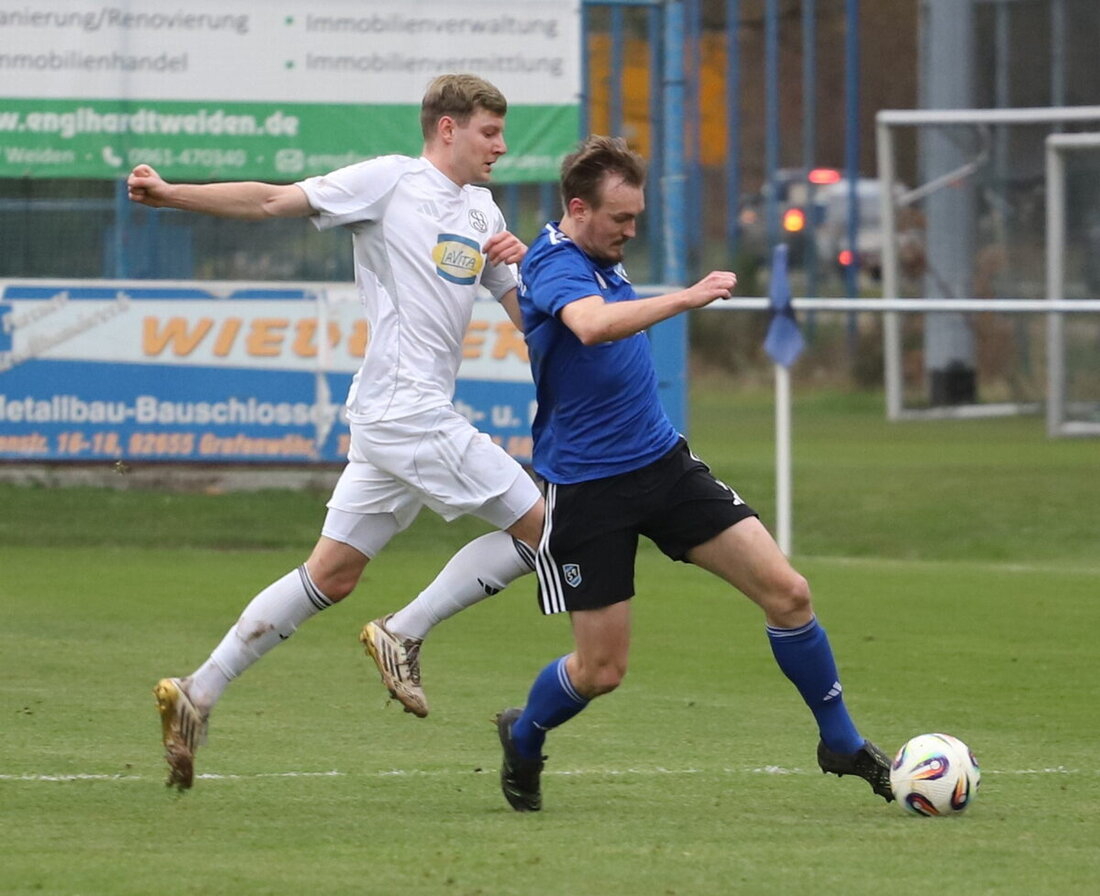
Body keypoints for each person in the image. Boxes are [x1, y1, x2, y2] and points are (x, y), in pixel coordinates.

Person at [128, 73, 545, 790]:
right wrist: (172, 194)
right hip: (405, 411)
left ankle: (198, 692)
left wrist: (527, 267)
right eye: (489, 133)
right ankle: (404, 631)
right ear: (448, 129)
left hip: (393, 418)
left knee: (333, 573)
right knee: (545, 524)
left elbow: (528, 319)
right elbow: (269, 199)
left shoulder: (481, 210)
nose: (500, 147)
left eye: (502, 134)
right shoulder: (389, 182)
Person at [494, 135, 893, 812]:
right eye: (620, 219)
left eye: (637, 218)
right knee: (601, 671)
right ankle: (525, 734)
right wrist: (688, 297)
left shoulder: (595, 252)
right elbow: (589, 327)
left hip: (663, 466)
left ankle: (840, 741)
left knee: (789, 593)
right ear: (578, 207)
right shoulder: (558, 264)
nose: (631, 230)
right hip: (589, 490)